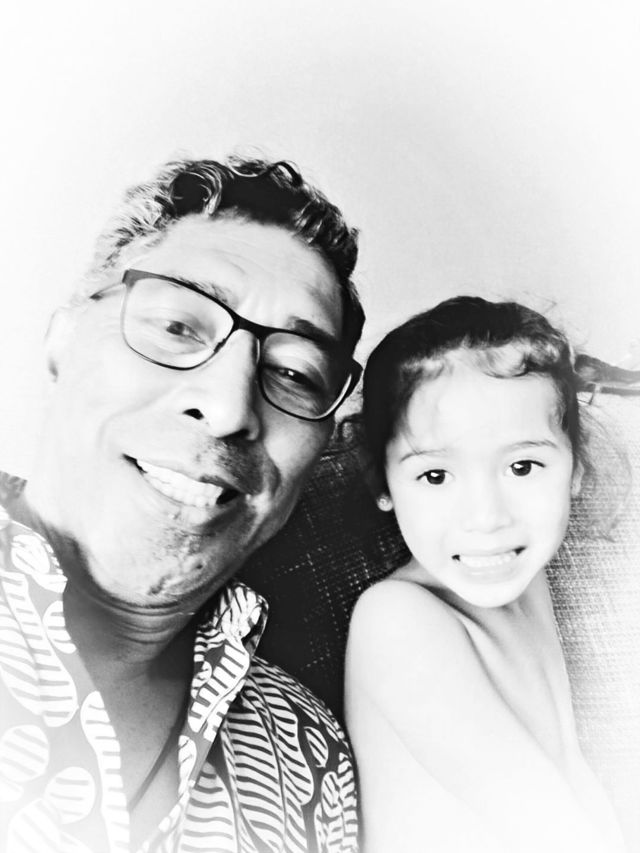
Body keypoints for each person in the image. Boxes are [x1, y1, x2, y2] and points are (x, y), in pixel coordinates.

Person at [0, 155, 364, 852]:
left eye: (295, 372)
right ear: (62, 341)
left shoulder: (311, 752)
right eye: (176, 326)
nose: (229, 408)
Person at [345, 296, 629, 853]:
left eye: (522, 467)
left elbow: (575, 787)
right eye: (435, 476)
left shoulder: (527, 578)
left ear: (575, 466)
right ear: (382, 481)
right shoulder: (396, 621)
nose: (486, 518)